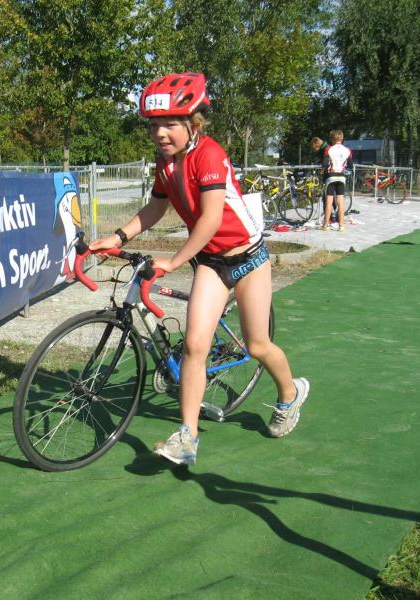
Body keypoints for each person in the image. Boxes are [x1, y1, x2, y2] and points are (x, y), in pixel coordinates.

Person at [89, 73, 310, 466]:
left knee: (257, 345)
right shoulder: (165, 162)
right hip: (211, 262)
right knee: (194, 346)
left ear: (193, 123)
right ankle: (187, 436)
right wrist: (118, 236)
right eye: (153, 126)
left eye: (170, 124)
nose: (160, 133)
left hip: (248, 257)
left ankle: (290, 393)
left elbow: (210, 219)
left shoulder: (209, 154)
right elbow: (156, 207)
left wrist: (173, 262)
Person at [322, 130, 353, 231]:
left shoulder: (328, 149)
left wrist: (323, 170)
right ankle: (341, 225)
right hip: (341, 176)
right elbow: (350, 165)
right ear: (342, 138)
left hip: (331, 176)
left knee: (329, 201)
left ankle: (326, 225)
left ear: (332, 139)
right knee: (340, 201)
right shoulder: (347, 150)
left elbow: (325, 164)